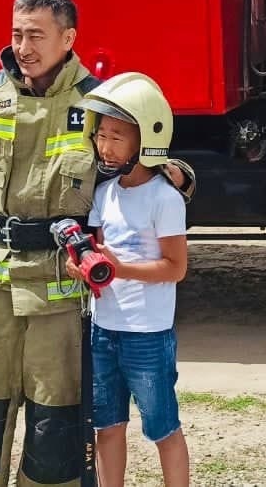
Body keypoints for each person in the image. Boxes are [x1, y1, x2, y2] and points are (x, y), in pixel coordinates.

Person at [0, 0, 196, 487]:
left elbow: (137, 153)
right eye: (16, 34)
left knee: (59, 431)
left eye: (36, 35)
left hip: (62, 295)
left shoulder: (98, 103)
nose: (23, 47)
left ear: (68, 38)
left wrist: (173, 172)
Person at [67, 72, 191, 487]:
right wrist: (85, 269)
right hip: (105, 331)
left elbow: (176, 268)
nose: (105, 145)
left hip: (147, 336)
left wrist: (122, 269)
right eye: (101, 134)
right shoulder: (105, 195)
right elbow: (103, 258)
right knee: (108, 428)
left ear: (146, 140)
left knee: (163, 429)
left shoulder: (165, 198)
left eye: (117, 136)